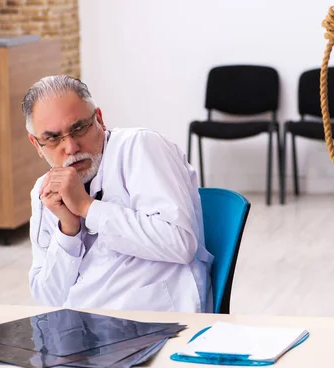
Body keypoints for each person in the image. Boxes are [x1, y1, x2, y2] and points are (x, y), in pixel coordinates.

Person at [23, 74, 213, 313]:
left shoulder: (141, 146)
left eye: (79, 129)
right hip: (82, 330)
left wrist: (86, 208)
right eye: (52, 138)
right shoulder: (45, 192)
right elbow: (48, 296)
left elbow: (181, 244)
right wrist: (68, 230)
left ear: (99, 119)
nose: (70, 148)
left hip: (154, 319)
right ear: (36, 144)